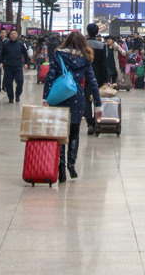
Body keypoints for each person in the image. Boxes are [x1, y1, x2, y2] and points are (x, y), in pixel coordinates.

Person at [42, 31, 102, 182]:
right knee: (74, 132)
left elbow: (50, 76)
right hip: (77, 98)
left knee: (61, 133)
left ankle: (60, 167)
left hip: (60, 97)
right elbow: (92, 82)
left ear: (67, 41)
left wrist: (45, 97)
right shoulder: (85, 58)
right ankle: (71, 164)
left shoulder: (58, 55)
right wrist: (98, 104)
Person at [0, 29, 30, 103]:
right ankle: (10, 97)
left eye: (14, 33)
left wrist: (26, 63)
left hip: (18, 66)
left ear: (17, 35)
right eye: (12, 33)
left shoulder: (20, 44)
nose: (13, 35)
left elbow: (25, 54)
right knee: (8, 83)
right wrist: (1, 62)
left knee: (20, 81)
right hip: (8, 66)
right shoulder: (6, 44)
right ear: (9, 35)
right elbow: (2, 54)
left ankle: (17, 95)